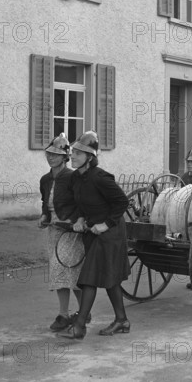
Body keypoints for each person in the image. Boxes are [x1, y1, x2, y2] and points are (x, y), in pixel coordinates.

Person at [58, 131, 130, 340]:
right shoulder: (76, 179)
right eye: (73, 152)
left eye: (78, 153)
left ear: (90, 157)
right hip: (93, 232)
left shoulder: (101, 178)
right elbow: (80, 204)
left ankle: (80, 326)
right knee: (110, 279)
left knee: (89, 278)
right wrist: (80, 219)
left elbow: (122, 203)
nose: (73, 156)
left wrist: (105, 224)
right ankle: (122, 320)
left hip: (111, 232)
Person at [39, 133, 84, 331]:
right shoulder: (45, 179)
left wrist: (79, 220)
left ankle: (83, 310)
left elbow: (83, 201)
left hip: (71, 231)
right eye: (49, 153)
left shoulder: (73, 177)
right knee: (61, 273)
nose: (51, 157)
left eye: (56, 154)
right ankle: (64, 315)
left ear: (65, 157)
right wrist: (44, 217)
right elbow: (45, 203)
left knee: (66, 269)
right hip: (53, 230)